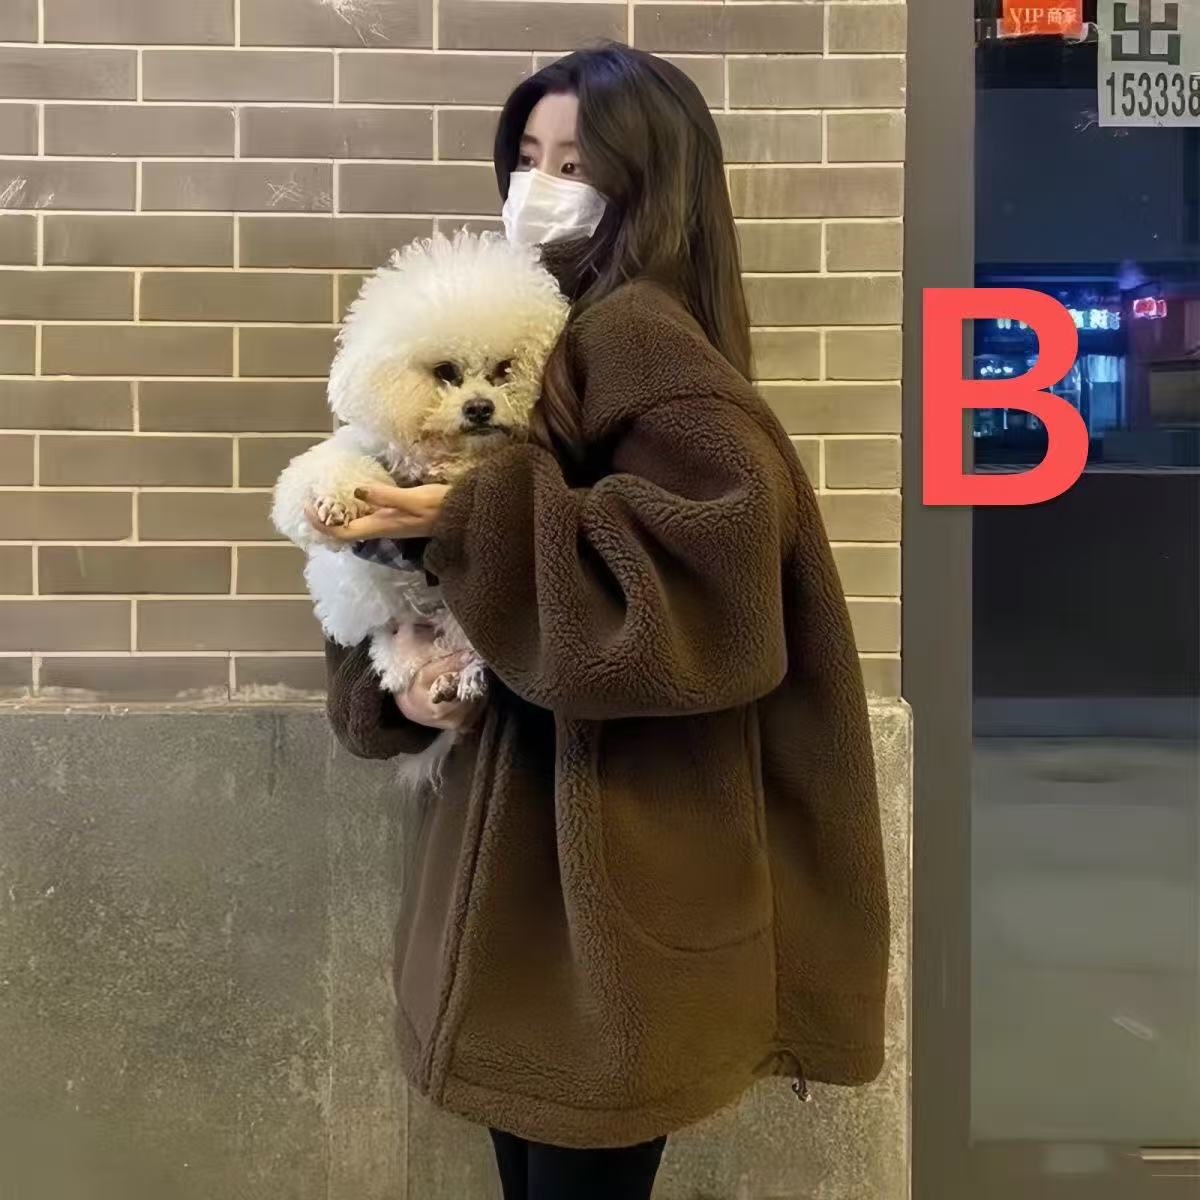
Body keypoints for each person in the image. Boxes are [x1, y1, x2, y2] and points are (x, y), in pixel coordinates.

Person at [312, 43, 889, 1200]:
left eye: (575, 163)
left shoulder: (639, 337)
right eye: (526, 156)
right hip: (529, 872)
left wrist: (472, 517)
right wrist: (400, 674)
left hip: (607, 876)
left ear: (650, 180)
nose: (540, 187)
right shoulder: (544, 328)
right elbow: (441, 543)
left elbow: (715, 585)